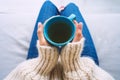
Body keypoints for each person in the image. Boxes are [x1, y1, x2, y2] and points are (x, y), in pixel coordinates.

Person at [4, 1, 115, 80]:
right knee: (71, 7)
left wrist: (44, 62)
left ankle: (58, 11)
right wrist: (74, 64)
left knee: (48, 5)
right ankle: (64, 11)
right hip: (83, 70)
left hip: (40, 68)